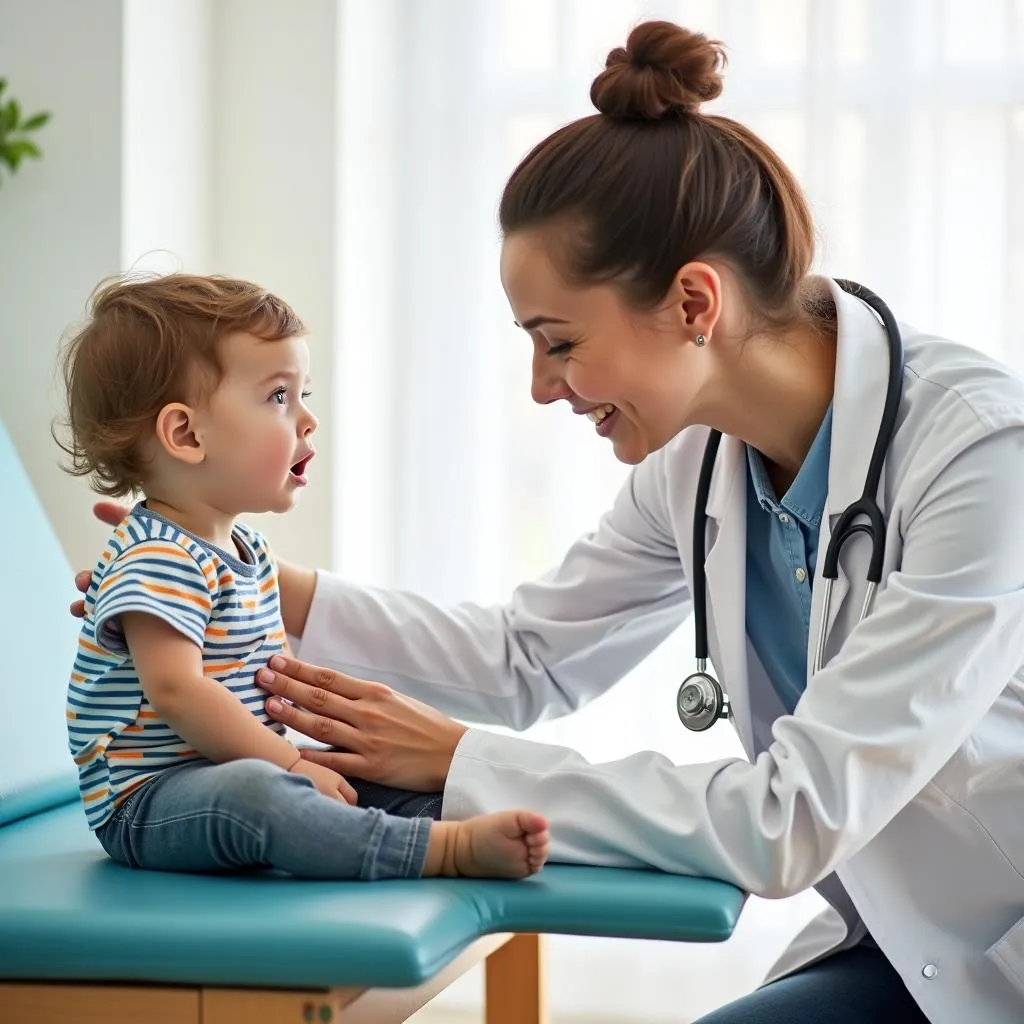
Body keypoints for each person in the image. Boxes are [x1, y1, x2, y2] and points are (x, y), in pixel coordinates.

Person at [71, 20, 1024, 1024]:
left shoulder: (976, 457)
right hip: (897, 943)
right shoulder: (701, 458)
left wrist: (463, 763)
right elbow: (528, 656)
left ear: (694, 300)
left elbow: (789, 818)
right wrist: (227, 571)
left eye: (558, 341)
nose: (539, 386)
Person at [57, 272, 549, 883]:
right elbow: (177, 693)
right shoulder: (157, 557)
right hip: (149, 801)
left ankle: (436, 821)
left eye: (301, 393)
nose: (308, 420)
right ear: (186, 434)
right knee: (264, 796)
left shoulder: (248, 551)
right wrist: (290, 763)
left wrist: (307, 762)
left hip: (240, 768)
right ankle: (437, 850)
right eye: (278, 397)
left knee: (366, 773)